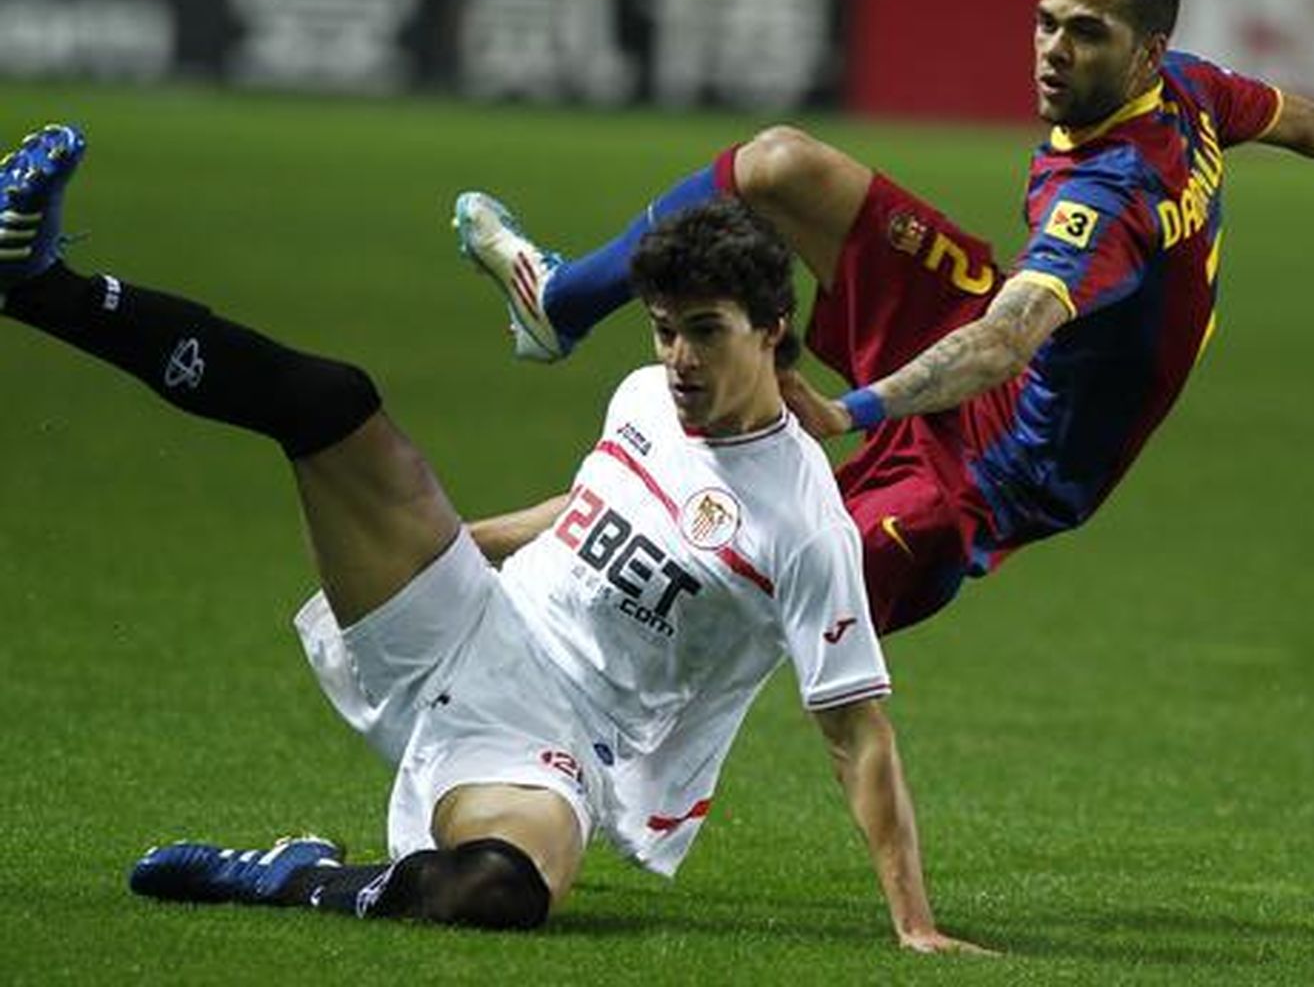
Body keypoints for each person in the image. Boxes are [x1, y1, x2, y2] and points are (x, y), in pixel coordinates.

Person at [0, 125, 985, 952]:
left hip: (550, 743)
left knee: (502, 892)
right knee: (332, 404)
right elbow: (593, 502)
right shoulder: (643, 394)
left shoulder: (805, 522)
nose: (677, 359)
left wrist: (913, 925)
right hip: (461, 612)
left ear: (773, 328)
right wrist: (452, 541)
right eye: (660, 330)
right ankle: (46, 286)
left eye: (704, 331)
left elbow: (854, 731)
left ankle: (293, 877)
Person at [451, 0, 1314, 636]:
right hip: (971, 341)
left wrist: (856, 408)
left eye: (1085, 33)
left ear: (1145, 49)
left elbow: (1014, 333)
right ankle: (564, 301)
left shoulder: (1106, 195)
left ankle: (492, 577)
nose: (1053, 50)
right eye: (1046, 22)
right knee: (780, 164)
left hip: (1000, 468)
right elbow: (1305, 118)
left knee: (723, 564)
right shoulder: (1193, 89)